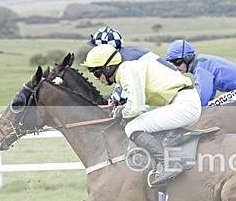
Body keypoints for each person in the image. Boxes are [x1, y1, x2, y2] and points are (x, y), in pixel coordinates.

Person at [80, 43, 201, 185]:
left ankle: (170, 163)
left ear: (108, 68)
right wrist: (123, 110)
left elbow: (135, 108)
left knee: (133, 127)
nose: (96, 78)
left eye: (96, 73)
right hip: (181, 102)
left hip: (184, 104)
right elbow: (139, 105)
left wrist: (121, 112)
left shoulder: (127, 70)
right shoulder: (128, 69)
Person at [165, 39, 236, 107]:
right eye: (172, 63)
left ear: (187, 58)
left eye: (177, 62)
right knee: (209, 107)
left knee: (207, 109)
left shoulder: (200, 67)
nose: (176, 67)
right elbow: (209, 92)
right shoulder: (200, 62)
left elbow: (202, 98)